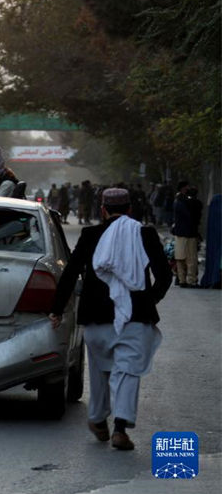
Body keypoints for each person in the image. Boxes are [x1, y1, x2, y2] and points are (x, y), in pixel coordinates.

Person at [48, 188, 172, 451]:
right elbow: (164, 275)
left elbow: (70, 273)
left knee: (100, 370)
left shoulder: (90, 235)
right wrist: (150, 299)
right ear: (129, 210)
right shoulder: (145, 233)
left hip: (96, 317)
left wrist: (57, 309)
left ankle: (97, 419)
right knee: (127, 373)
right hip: (135, 318)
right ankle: (120, 429)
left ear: (102, 210)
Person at [172, 181, 202, 288]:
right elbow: (193, 215)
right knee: (191, 258)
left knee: (180, 257)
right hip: (189, 233)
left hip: (179, 233)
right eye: (187, 187)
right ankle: (191, 280)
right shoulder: (187, 201)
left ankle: (182, 279)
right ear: (183, 188)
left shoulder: (177, 200)